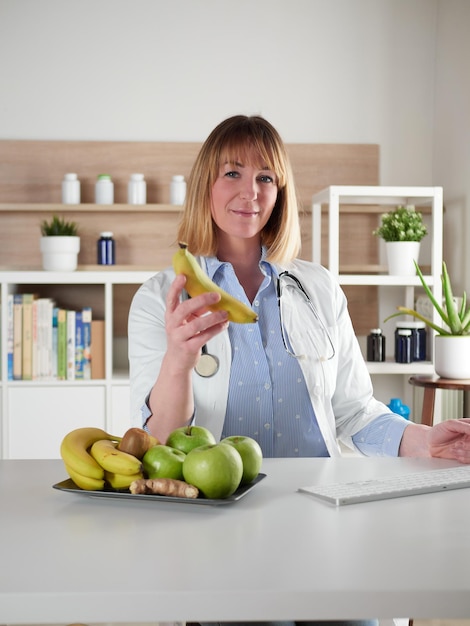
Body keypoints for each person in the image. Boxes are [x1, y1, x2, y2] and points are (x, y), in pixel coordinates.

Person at [128, 114, 470, 626]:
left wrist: (427, 440)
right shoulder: (161, 299)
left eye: (266, 176)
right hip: (223, 528)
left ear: (281, 191)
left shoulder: (319, 287)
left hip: (323, 519)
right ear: (205, 185)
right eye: (233, 173)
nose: (251, 192)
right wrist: (178, 360)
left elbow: (353, 411)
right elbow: (164, 440)